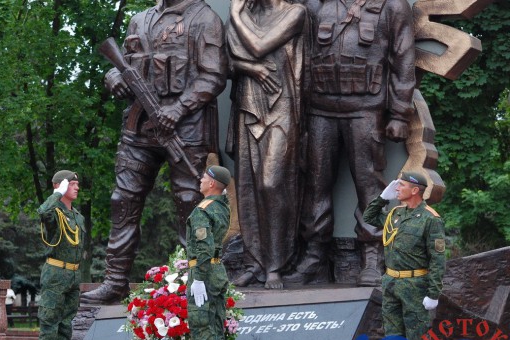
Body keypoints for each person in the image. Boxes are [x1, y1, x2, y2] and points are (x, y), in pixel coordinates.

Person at [81, 0, 228, 305]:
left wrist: (179, 108)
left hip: (186, 126)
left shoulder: (205, 18)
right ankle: (115, 281)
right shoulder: (139, 20)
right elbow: (122, 64)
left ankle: (195, 280)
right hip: (139, 126)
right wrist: (114, 78)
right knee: (123, 200)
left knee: (190, 201)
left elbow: (214, 75)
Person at [296, 0, 416, 286]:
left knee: (369, 185)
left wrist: (400, 113)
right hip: (318, 108)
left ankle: (372, 254)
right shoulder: (313, 5)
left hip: (365, 108)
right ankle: (314, 254)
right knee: (315, 184)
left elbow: (404, 59)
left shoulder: (391, 6)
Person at [226, 0, 307, 289]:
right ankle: (254, 262)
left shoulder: (295, 12)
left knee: (271, 183)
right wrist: (250, 68)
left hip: (282, 104)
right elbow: (226, 64)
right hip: (249, 102)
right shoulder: (246, 15)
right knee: (247, 185)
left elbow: (260, 46)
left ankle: (276, 264)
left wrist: (234, 14)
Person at [363, 171, 446, 340]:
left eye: (401, 186)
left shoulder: (430, 219)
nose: (397, 188)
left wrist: (433, 293)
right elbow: (369, 217)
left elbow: (437, 260)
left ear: (415, 190)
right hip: (391, 285)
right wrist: (382, 197)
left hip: (415, 287)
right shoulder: (395, 214)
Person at [181, 165, 231, 340]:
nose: (200, 180)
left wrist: (198, 279)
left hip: (204, 272)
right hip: (217, 270)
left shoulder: (203, 211)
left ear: (212, 183)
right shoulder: (222, 207)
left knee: (202, 327)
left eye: (204, 177)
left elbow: (203, 247)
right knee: (216, 325)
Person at [37, 170, 85, 340]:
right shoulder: (53, 211)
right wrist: (57, 191)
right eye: (71, 184)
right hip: (55, 275)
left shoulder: (77, 216)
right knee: (50, 327)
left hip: (72, 277)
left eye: (76, 184)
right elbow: (43, 211)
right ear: (59, 186)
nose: (76, 187)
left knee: (65, 328)